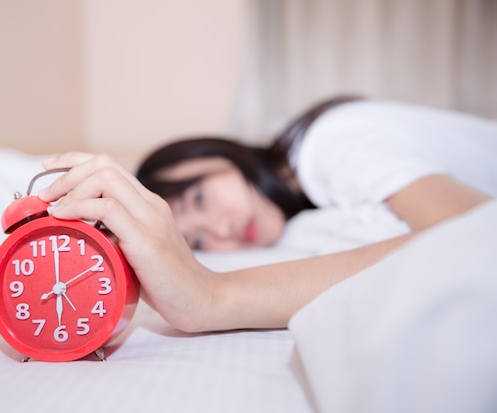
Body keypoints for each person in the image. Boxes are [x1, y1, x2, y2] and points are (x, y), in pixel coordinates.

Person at [37, 96, 496, 333]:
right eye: (198, 242)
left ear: (221, 153)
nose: (222, 228)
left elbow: (473, 233)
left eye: (199, 198)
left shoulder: (332, 142)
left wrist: (212, 293)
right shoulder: (303, 214)